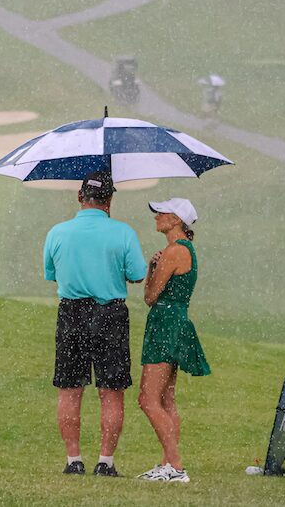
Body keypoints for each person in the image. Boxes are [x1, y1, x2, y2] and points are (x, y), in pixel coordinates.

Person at [44, 171, 147, 477]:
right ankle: (106, 462)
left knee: (69, 389)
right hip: (111, 315)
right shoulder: (123, 232)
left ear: (80, 197)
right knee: (111, 391)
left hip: (71, 313)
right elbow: (138, 274)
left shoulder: (57, 232)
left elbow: (52, 274)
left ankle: (74, 460)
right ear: (110, 200)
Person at [137, 198, 211, 484]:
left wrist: (150, 271)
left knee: (147, 399)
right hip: (176, 322)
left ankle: (176, 464)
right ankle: (168, 464)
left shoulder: (173, 252)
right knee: (166, 399)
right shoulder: (186, 250)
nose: (157, 216)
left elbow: (150, 297)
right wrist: (152, 269)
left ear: (177, 220)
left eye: (162, 212)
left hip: (165, 325)